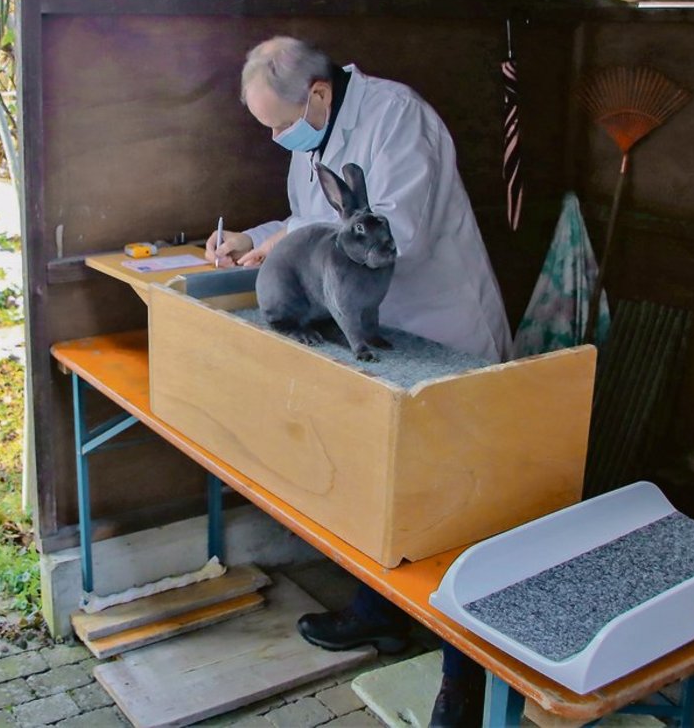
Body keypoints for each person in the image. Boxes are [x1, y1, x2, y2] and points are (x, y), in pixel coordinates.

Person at [206, 36, 512, 727]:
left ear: (318, 93)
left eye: (282, 124)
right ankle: (382, 615)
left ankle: (464, 687)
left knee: (458, 512)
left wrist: (293, 251)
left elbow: (395, 234)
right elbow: (317, 221)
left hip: (439, 336)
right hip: (372, 338)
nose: (281, 139)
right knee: (382, 490)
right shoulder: (320, 134)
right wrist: (257, 238)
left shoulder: (397, 119)